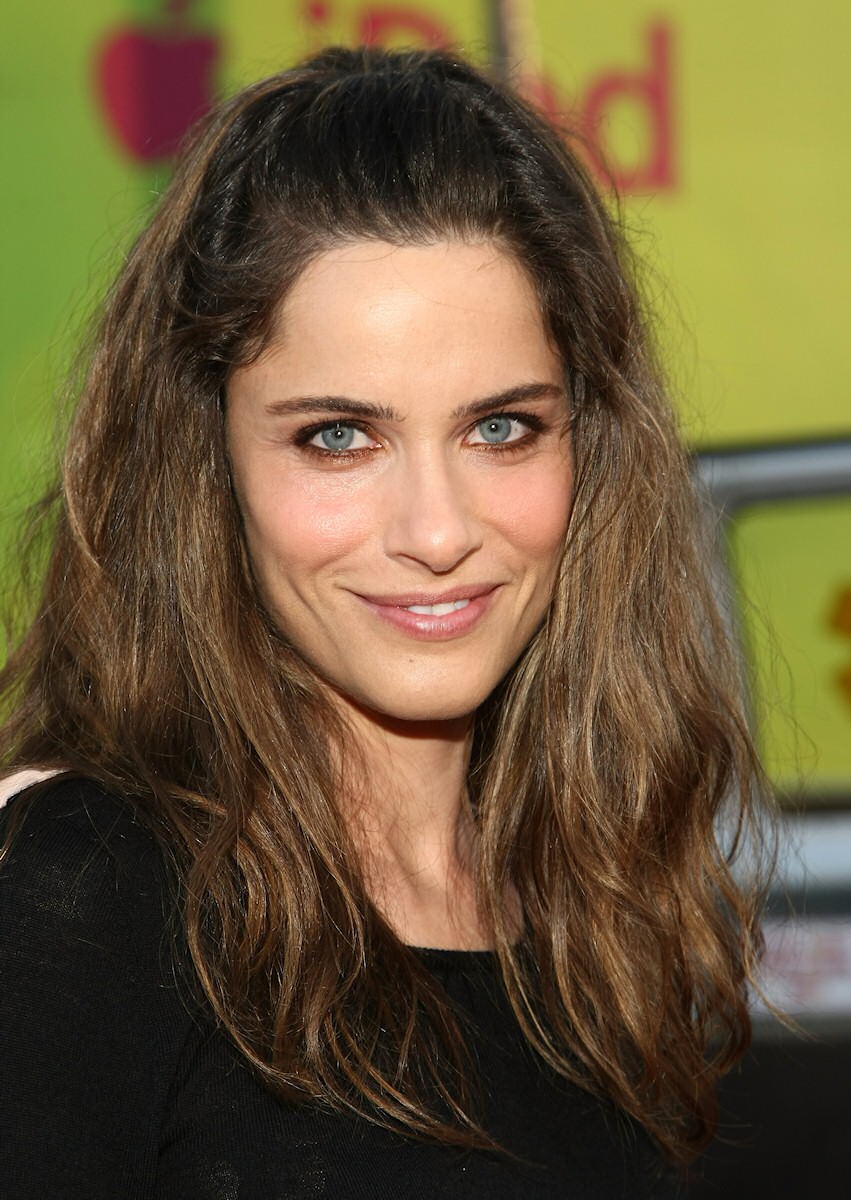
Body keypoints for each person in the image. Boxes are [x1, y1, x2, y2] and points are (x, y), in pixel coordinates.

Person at [0, 45, 769, 1198]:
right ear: (206, 462)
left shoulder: (603, 922)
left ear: (588, 448)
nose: (435, 528)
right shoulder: (91, 896)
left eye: (500, 428)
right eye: (337, 436)